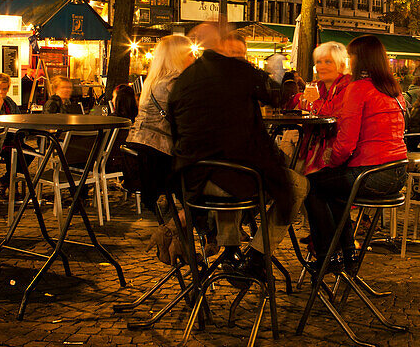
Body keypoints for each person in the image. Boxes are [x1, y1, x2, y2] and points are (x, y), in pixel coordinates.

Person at [168, 23, 308, 276]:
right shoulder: (239, 71)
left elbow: (175, 128)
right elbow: (276, 95)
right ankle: (256, 258)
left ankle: (230, 249)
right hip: (228, 177)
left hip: (190, 179)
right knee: (294, 184)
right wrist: (276, 71)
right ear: (221, 45)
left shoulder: (185, 79)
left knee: (233, 171)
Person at [303, 35, 407, 267]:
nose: (348, 61)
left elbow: (346, 143)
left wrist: (330, 162)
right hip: (397, 172)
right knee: (333, 186)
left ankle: (327, 256)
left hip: (371, 174)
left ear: (360, 59)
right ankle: (347, 251)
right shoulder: (392, 89)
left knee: (312, 185)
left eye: (350, 56)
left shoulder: (358, 89)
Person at [128, 35, 194, 216]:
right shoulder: (175, 82)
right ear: (177, 56)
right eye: (190, 54)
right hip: (161, 153)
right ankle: (202, 231)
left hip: (143, 149)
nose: (194, 58)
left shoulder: (153, 81)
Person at [302, 41, 351, 117]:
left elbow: (334, 113)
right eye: (318, 62)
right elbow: (304, 106)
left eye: (328, 62)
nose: (322, 67)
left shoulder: (348, 86)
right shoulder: (318, 85)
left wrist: (314, 102)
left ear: (341, 66)